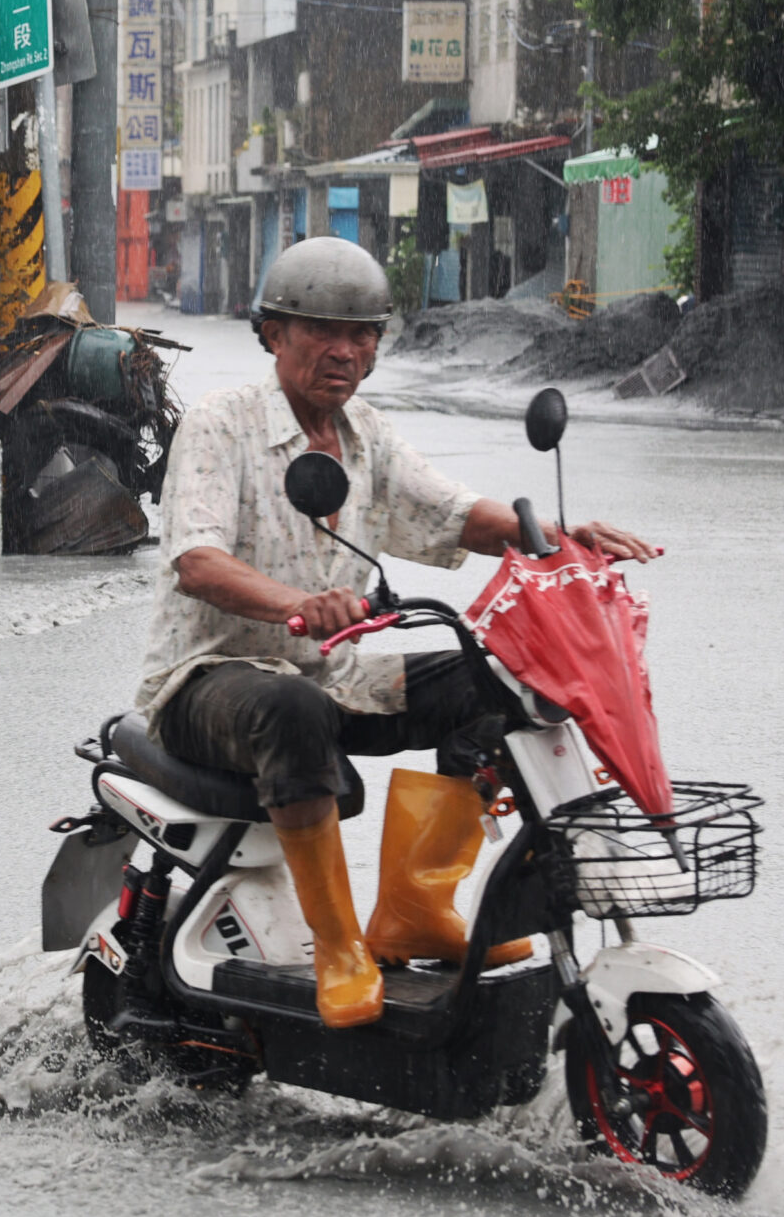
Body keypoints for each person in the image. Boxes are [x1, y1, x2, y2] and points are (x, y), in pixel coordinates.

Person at [138, 236, 658, 1028]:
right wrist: (299, 603)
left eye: (363, 334)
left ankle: (414, 908)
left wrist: (554, 535)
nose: (343, 350)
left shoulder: (367, 438)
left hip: (329, 675)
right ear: (273, 332)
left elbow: (453, 512)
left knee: (503, 682)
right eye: (320, 330)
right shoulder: (223, 424)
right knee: (293, 711)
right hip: (210, 681)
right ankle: (341, 945)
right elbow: (198, 561)